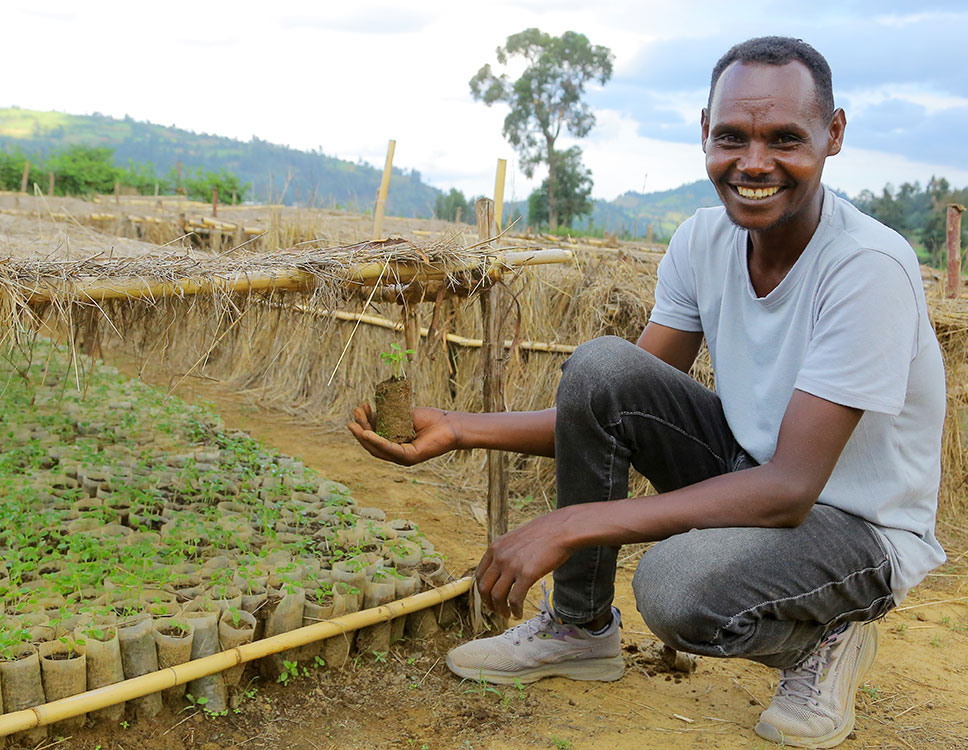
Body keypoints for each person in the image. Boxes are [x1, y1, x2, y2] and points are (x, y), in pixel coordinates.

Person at [348, 36, 946, 749]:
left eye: (785, 138)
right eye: (732, 137)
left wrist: (568, 524)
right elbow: (603, 405)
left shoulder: (866, 267)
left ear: (834, 135)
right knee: (601, 368)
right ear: (703, 133)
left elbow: (790, 488)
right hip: (752, 474)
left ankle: (819, 645)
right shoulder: (702, 241)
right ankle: (578, 628)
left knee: (674, 589)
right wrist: (458, 426)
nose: (754, 163)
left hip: (855, 525)